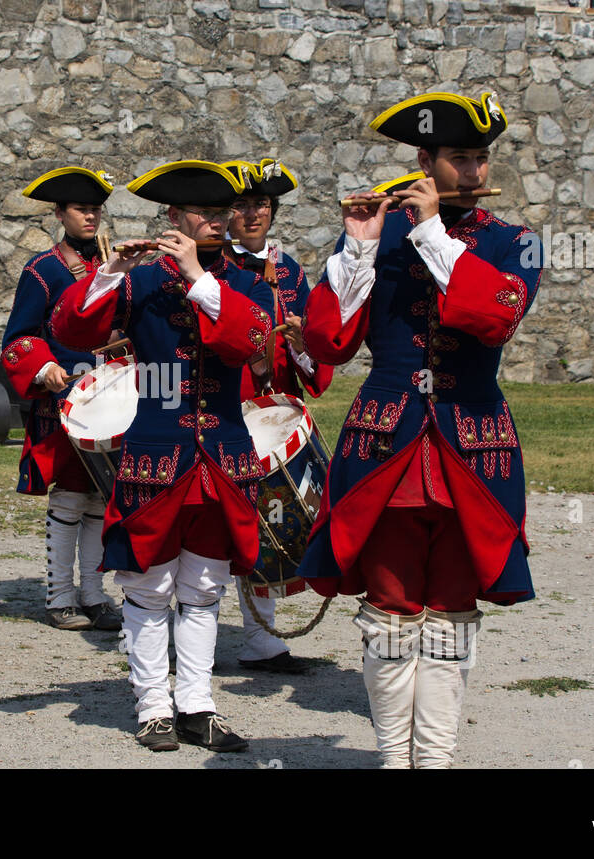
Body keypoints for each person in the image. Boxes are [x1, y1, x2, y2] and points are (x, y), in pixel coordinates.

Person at [297, 92, 542, 767]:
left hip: (474, 443)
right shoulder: (380, 234)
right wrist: (356, 248)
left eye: (480, 156)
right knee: (392, 610)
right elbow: (328, 342)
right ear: (424, 162)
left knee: (452, 611)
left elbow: (496, 314)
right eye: (460, 157)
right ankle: (389, 757)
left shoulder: (512, 240)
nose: (475, 167)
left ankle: (434, 759)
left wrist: (432, 231)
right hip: (385, 446)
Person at [51, 160, 273, 753]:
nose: (220, 222)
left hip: (223, 450)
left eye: (224, 213)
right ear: (173, 218)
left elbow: (252, 343)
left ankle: (197, 703)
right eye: (205, 214)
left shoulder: (246, 281)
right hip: (155, 449)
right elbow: (72, 329)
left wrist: (199, 275)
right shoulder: (139, 281)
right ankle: (153, 705)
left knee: (204, 585)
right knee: (149, 585)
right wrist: (110, 272)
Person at [221, 158, 332, 675]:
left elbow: (315, 353)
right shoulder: (213, 266)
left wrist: (298, 341)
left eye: (261, 204)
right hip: (224, 408)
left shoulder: (290, 271)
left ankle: (260, 642)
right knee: (218, 521)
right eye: (241, 205)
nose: (252, 214)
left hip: (274, 415)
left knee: (268, 519)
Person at [0, 166, 122, 631]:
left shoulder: (115, 263)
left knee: (99, 498)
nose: (90, 216)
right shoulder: (43, 269)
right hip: (66, 399)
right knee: (71, 494)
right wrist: (44, 365)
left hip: (112, 398)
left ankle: (93, 594)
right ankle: (59, 597)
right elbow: (19, 338)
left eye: (95, 209)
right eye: (80, 209)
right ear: (60, 213)